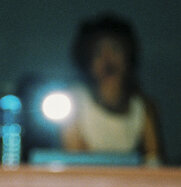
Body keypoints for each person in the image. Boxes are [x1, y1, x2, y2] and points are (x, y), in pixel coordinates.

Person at [62, 13, 163, 164]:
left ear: (129, 56)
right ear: (86, 60)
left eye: (115, 49)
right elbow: (75, 160)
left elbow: (154, 161)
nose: (107, 60)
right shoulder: (74, 100)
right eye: (98, 52)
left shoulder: (142, 106)